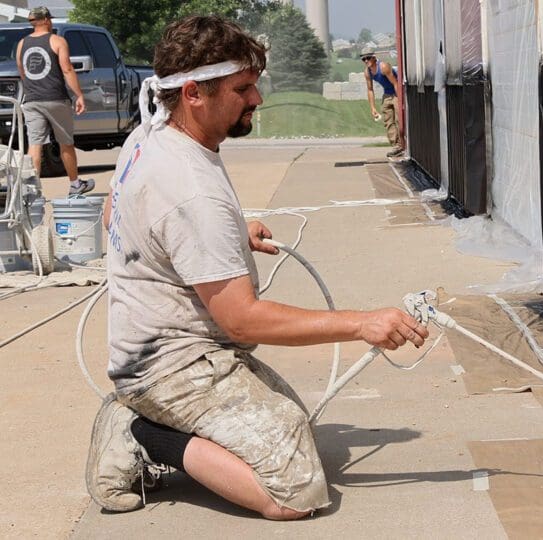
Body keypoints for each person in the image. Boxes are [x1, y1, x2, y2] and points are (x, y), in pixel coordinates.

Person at [88, 16, 429, 520]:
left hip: (170, 352)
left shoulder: (151, 135)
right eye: (242, 88)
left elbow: (117, 213)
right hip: (171, 368)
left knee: (296, 432)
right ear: (193, 94)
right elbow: (243, 321)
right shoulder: (189, 187)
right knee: (292, 490)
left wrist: (216, 242)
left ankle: (151, 424)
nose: (257, 99)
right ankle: (138, 433)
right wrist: (362, 324)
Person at [15, 6, 92, 195]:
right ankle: (75, 185)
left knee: (35, 144)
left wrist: (34, 90)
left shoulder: (21, 43)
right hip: (55, 98)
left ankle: (32, 189)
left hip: (31, 100)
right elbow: (67, 69)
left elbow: (22, 72)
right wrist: (79, 95)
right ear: (47, 20)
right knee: (65, 142)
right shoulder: (57, 40)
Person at [361, 47, 404, 158]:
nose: (366, 61)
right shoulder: (367, 72)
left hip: (396, 92)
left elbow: (395, 83)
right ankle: (397, 146)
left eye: (368, 58)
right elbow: (370, 89)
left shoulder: (384, 67)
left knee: (400, 119)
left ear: (374, 58)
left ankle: (405, 144)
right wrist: (373, 108)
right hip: (387, 94)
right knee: (388, 121)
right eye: (364, 59)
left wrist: (400, 100)